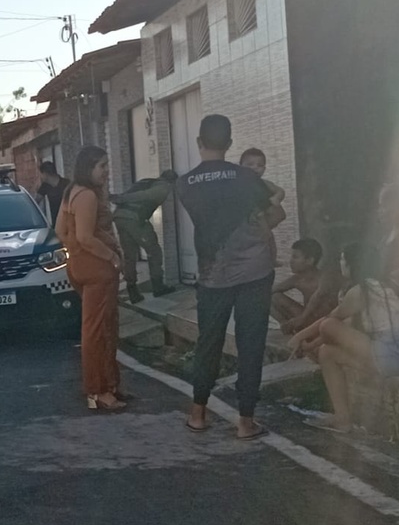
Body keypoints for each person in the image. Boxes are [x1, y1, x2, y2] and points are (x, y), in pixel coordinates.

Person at [177, 115, 286, 440]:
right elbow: (272, 210)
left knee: (208, 342)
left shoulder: (185, 184)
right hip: (255, 271)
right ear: (229, 143)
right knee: (250, 343)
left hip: (212, 274)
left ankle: (197, 414)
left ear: (199, 143)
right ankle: (245, 421)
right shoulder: (246, 177)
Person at [289, 242, 399, 432]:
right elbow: (344, 329)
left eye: (342, 260)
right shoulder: (394, 285)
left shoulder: (361, 290)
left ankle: (342, 418)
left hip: (394, 355)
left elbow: (329, 322)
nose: (340, 264)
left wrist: (299, 338)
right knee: (328, 353)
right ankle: (342, 420)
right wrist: (311, 346)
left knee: (329, 325)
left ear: (352, 264)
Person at [55, 146, 127, 411]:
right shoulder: (87, 196)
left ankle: (110, 385)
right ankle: (98, 391)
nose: (107, 171)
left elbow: (61, 231)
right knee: (97, 331)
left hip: (79, 266)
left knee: (105, 327)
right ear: (88, 168)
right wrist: (112, 257)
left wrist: (75, 251)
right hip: (97, 269)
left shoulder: (71, 192)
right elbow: (86, 237)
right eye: (102, 166)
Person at [109, 170, 178, 303]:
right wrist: (119, 198)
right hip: (133, 218)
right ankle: (158, 286)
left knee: (129, 255)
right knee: (154, 251)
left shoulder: (146, 181)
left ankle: (132, 291)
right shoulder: (163, 187)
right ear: (172, 182)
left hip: (119, 217)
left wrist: (119, 198)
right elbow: (144, 195)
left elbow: (132, 192)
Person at [270, 238, 336, 336]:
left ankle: (302, 330)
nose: (291, 261)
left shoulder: (324, 278)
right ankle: (287, 327)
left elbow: (318, 297)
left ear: (309, 261)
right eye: (291, 257)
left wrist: (301, 319)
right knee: (272, 297)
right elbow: (269, 291)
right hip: (306, 321)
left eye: (295, 257)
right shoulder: (297, 279)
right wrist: (283, 321)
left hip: (324, 324)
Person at [38, 161, 70, 226]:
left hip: (68, 222)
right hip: (56, 223)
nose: (40, 177)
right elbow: (36, 200)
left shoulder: (66, 184)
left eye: (41, 174)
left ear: (45, 173)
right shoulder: (45, 186)